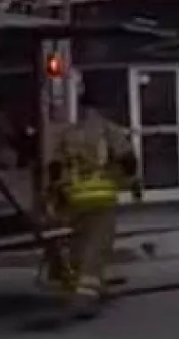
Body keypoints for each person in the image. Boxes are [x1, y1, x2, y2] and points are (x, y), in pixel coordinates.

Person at [46, 81, 142, 319]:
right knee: (97, 246)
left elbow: (55, 166)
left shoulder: (69, 132)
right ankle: (86, 295)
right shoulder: (108, 129)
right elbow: (127, 159)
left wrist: (56, 194)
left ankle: (79, 285)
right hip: (101, 197)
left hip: (74, 198)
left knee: (78, 243)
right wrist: (133, 183)